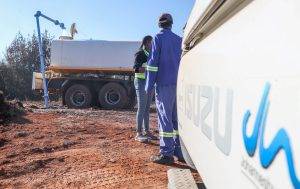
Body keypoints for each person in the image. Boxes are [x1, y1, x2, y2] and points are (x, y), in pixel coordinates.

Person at [145, 13, 184, 165]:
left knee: (165, 118)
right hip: (177, 85)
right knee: (175, 119)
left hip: (163, 85)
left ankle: (166, 153)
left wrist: (148, 85)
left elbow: (152, 64)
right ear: (171, 24)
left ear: (159, 24)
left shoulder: (158, 38)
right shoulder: (178, 40)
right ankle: (179, 151)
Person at [133, 35, 157, 142]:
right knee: (142, 107)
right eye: (151, 42)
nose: (153, 44)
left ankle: (147, 131)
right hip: (141, 82)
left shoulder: (153, 54)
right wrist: (148, 69)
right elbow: (136, 69)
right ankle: (138, 133)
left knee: (147, 108)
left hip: (150, 83)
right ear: (146, 43)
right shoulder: (140, 54)